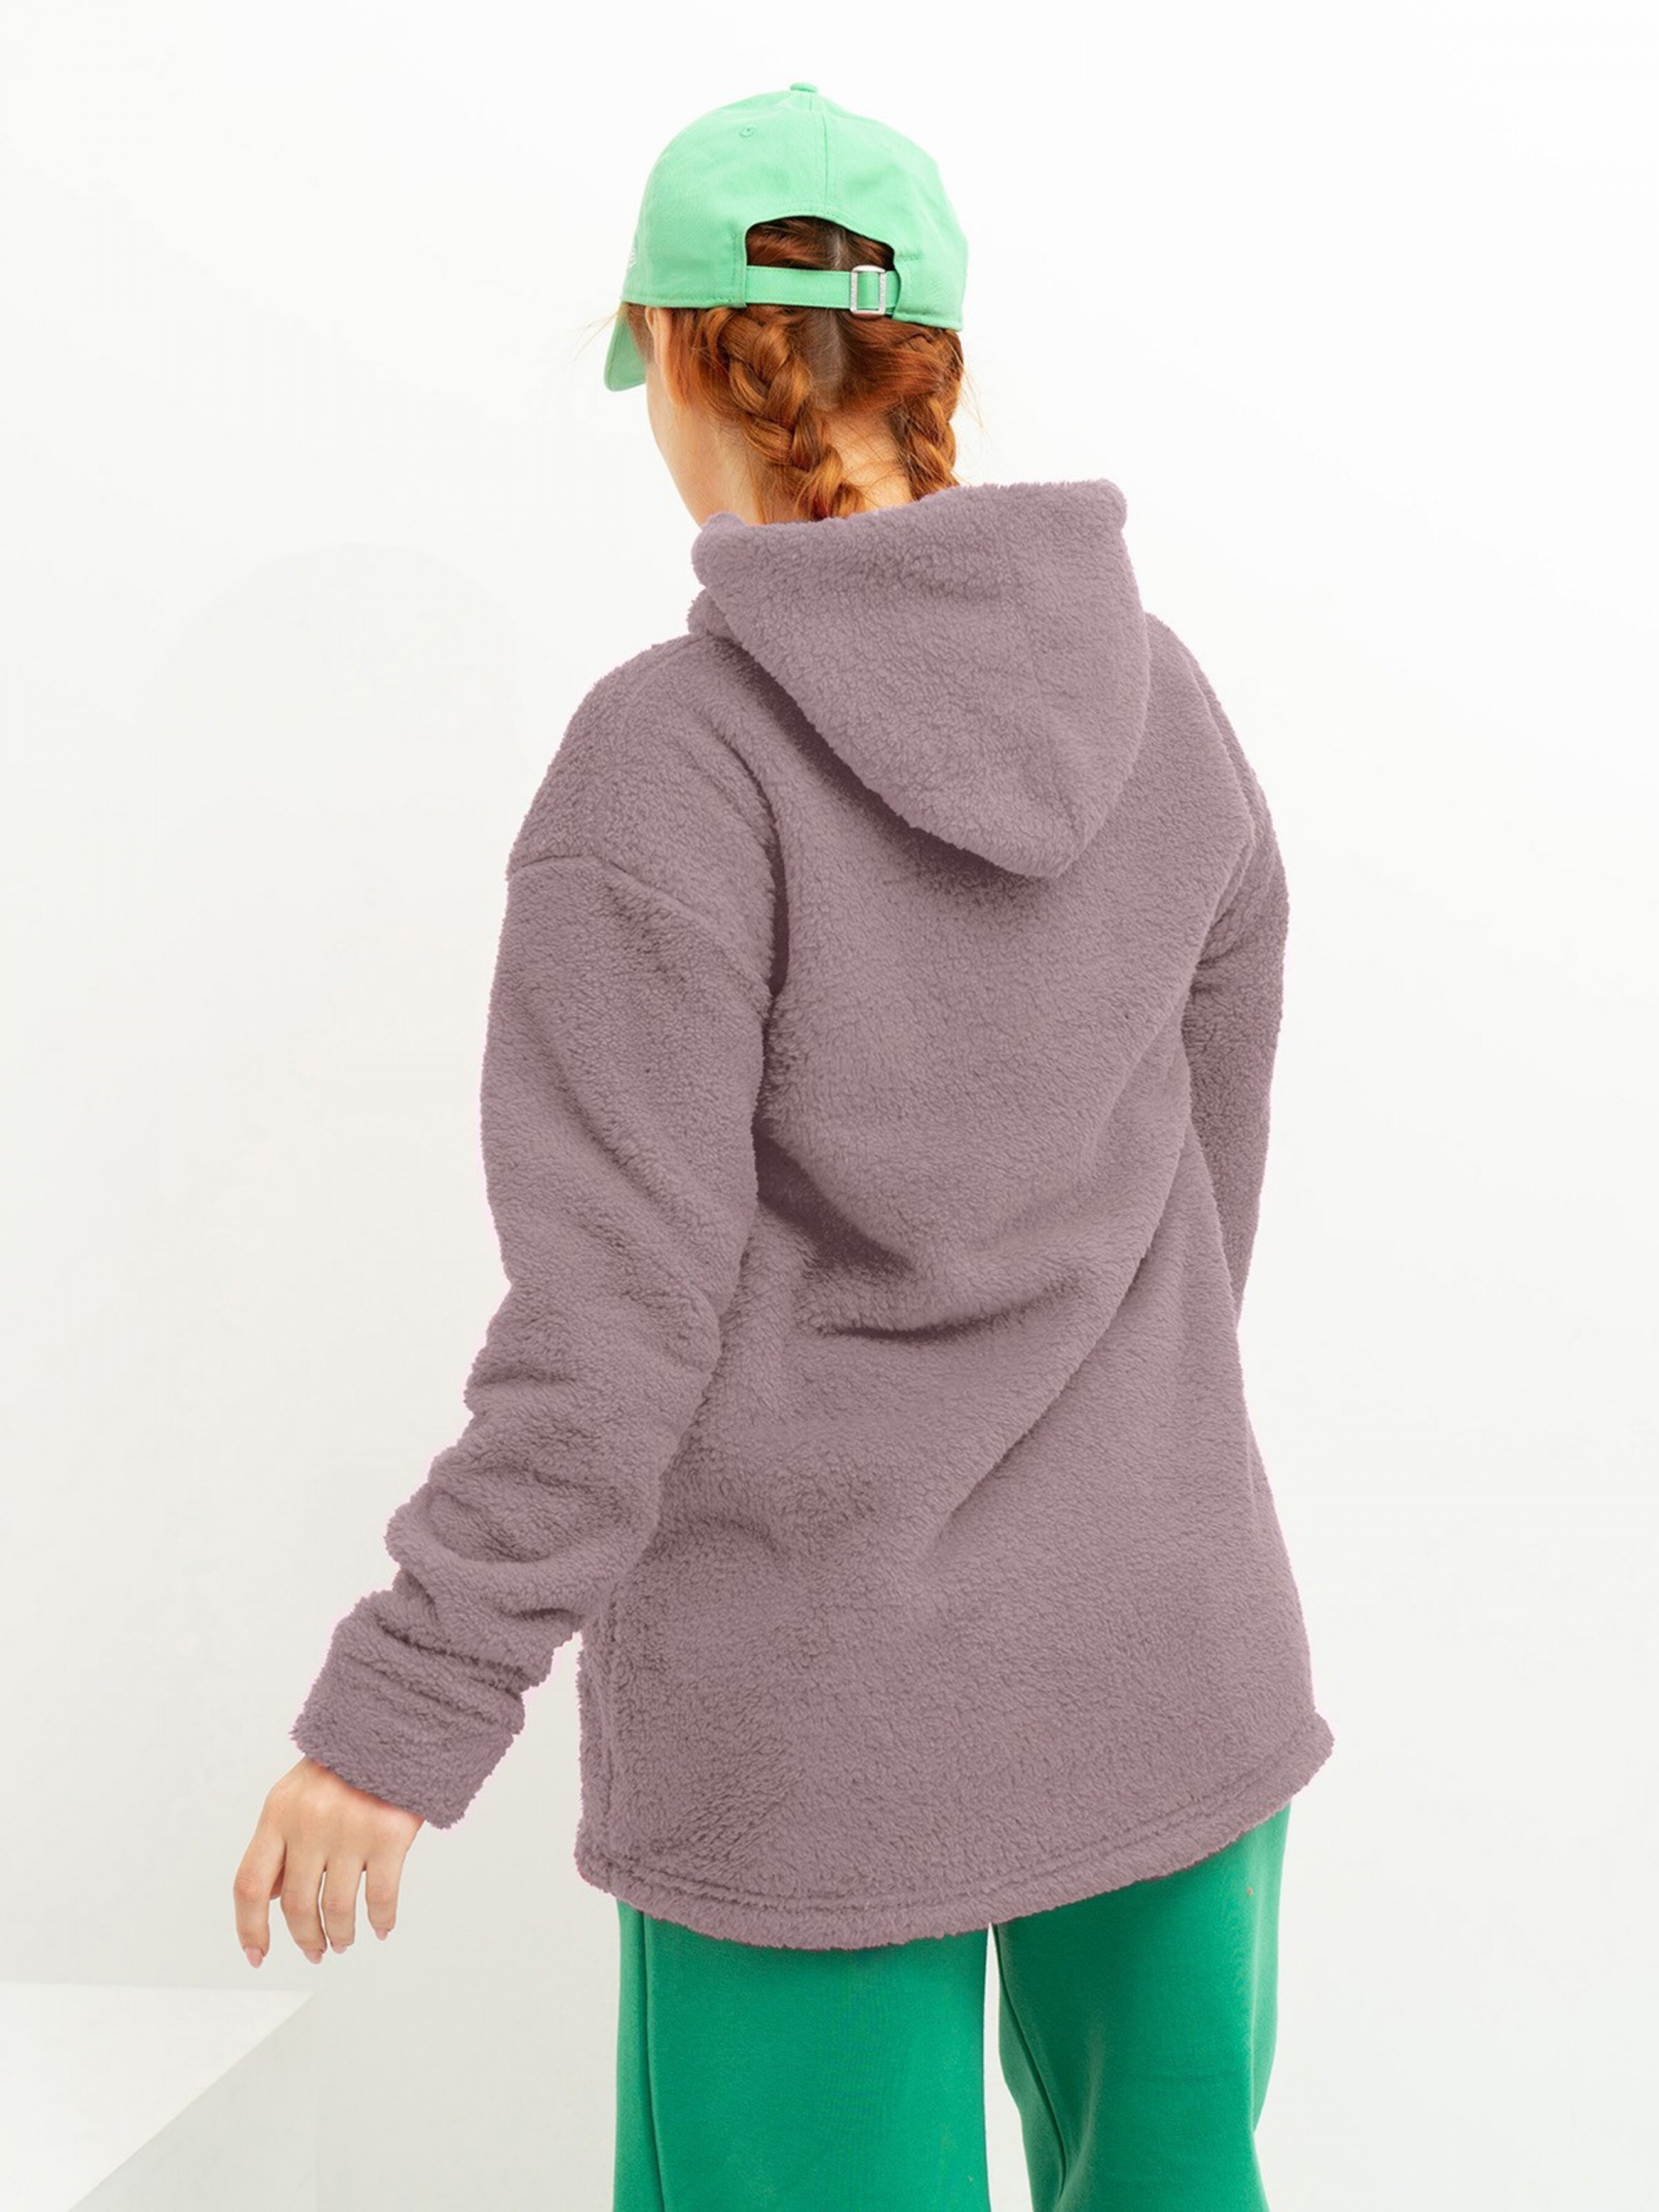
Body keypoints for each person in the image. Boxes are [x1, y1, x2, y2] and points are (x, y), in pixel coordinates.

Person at [233, 82, 1335, 2211]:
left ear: (665, 351)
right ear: (932, 365)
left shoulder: (671, 764)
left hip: (813, 1713)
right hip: (1172, 1641)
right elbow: (1212, 1173)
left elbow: (609, 1325)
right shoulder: (1166, 700)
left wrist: (405, 1711)